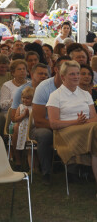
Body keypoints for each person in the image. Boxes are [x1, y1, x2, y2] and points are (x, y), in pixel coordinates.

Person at [46, 61, 97, 193]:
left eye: (77, 73)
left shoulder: (86, 94)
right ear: (63, 77)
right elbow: (54, 124)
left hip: (89, 129)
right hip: (65, 133)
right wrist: (76, 122)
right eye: (72, 74)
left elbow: (95, 117)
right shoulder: (55, 95)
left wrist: (83, 123)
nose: (76, 77)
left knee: (95, 131)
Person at [32, 56, 71, 185]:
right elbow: (38, 120)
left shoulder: (75, 86)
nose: (67, 72)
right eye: (63, 68)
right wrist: (59, 126)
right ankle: (46, 173)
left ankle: (77, 170)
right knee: (45, 135)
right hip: (45, 126)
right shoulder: (44, 88)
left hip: (68, 125)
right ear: (56, 69)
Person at [11, 86, 34, 170]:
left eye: (27, 98)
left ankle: (30, 163)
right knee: (16, 128)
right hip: (21, 128)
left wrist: (30, 115)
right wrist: (24, 115)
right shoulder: (21, 107)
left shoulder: (34, 108)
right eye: (23, 98)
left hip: (31, 128)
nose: (24, 100)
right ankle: (18, 161)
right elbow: (15, 119)